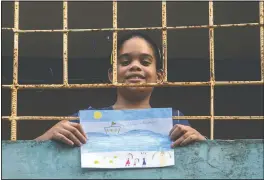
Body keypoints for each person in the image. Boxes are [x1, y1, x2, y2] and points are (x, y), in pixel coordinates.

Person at [35, 32, 206, 148]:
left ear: (159, 76)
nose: (135, 67)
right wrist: (50, 134)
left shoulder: (174, 120)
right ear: (112, 75)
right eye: (125, 62)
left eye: (145, 62)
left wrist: (201, 141)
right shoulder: (85, 120)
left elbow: (203, 158)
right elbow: (24, 153)